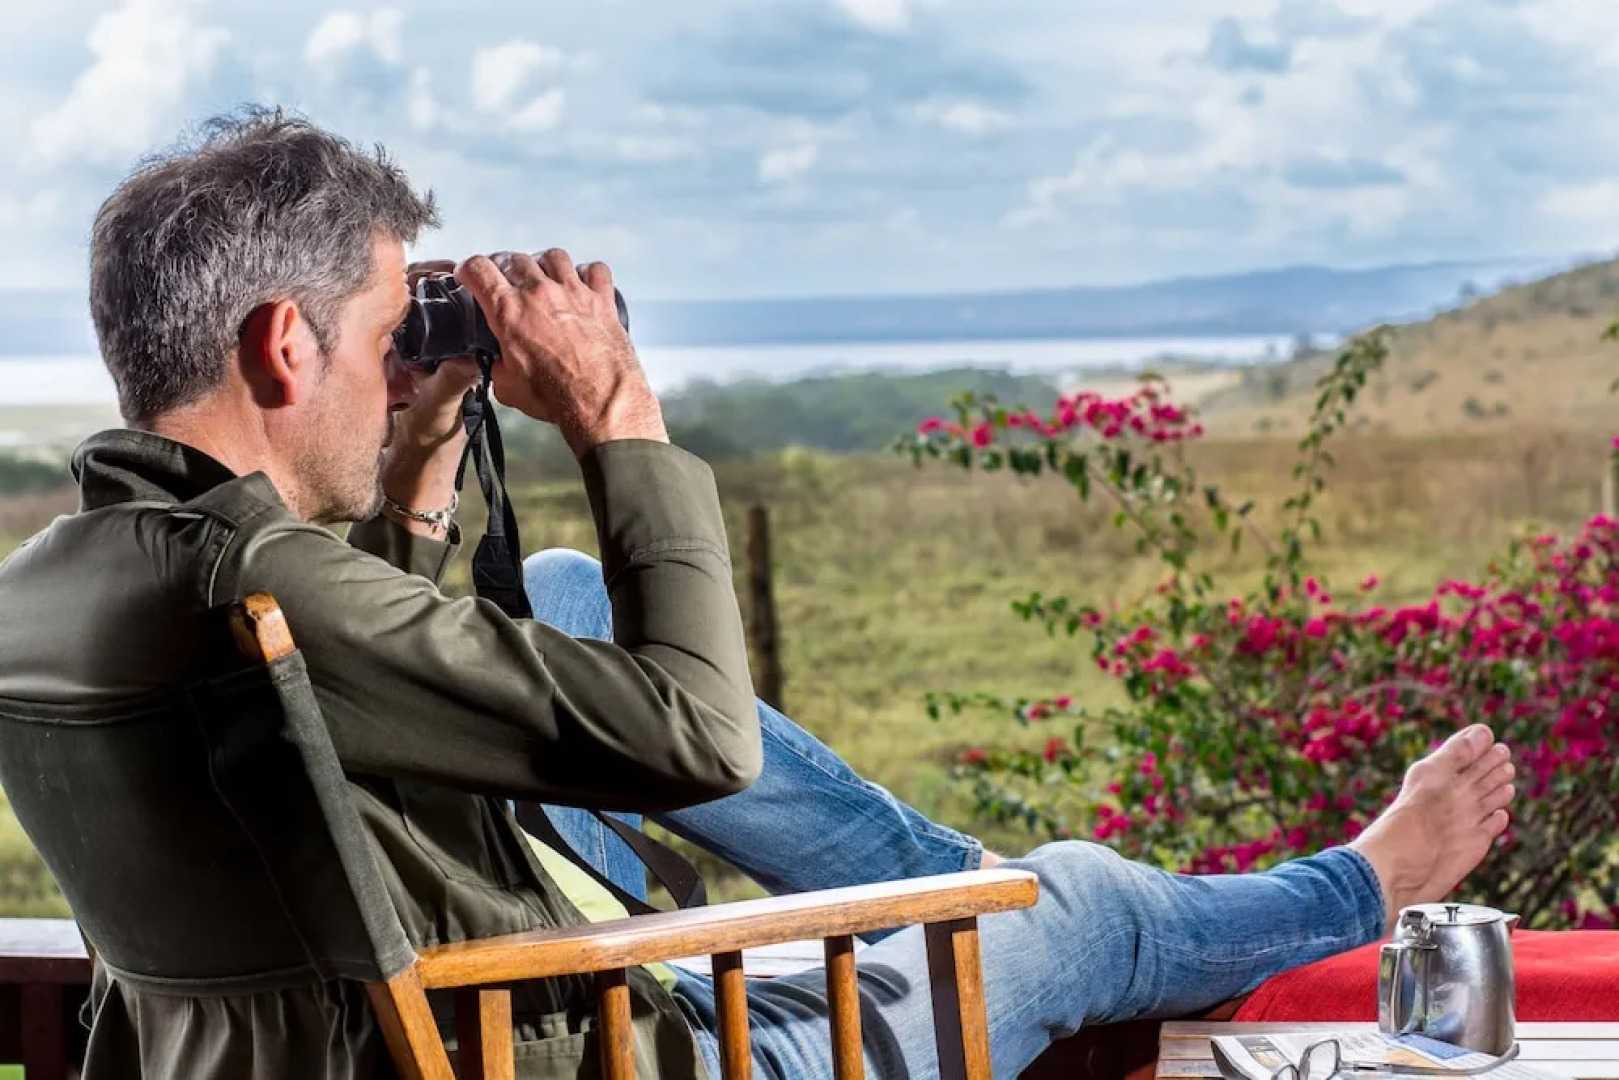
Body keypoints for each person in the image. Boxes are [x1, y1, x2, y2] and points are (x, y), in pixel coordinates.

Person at [0, 111, 1515, 1080]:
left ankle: (942, 887)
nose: (408, 353)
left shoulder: (68, 587)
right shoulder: (262, 584)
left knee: (574, 593)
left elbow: (343, 709)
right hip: (606, 1046)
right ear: (283, 348)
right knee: (1077, 897)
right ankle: (1367, 884)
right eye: (391, 327)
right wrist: (615, 415)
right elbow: (701, 738)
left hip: (373, 1029)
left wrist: (414, 456)